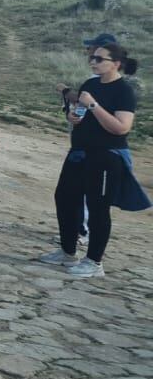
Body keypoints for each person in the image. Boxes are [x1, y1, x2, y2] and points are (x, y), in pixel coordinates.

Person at [42, 43, 142, 279]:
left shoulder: (123, 91)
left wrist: (93, 105)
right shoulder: (90, 85)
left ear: (115, 64)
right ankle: (68, 252)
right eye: (93, 58)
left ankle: (94, 261)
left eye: (99, 59)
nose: (93, 62)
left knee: (98, 208)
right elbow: (79, 111)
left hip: (107, 156)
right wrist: (74, 115)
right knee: (65, 197)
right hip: (79, 153)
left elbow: (121, 128)